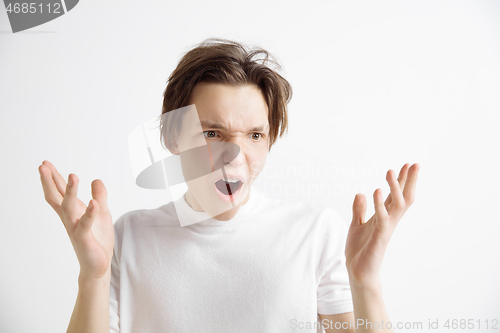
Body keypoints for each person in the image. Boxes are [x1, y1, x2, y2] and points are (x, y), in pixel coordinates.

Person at [39, 38, 420, 333]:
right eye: (212, 132)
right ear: (172, 138)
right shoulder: (128, 236)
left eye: (255, 135)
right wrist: (93, 276)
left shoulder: (314, 233)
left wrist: (365, 281)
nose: (234, 155)